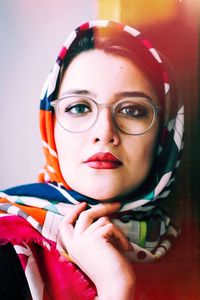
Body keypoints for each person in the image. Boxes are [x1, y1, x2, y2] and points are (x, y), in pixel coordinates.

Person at [0, 20, 186, 300]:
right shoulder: (7, 240)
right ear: (50, 126)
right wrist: (115, 288)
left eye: (132, 110)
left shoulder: (189, 250)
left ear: (164, 134)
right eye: (79, 107)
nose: (104, 132)